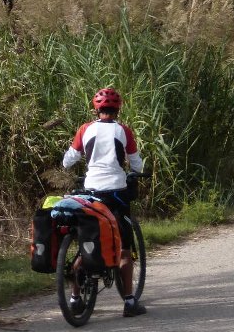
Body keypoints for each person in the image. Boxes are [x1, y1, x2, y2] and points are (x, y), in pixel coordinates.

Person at [62, 86, 147, 318]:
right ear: (117, 109)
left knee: (86, 240)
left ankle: (75, 298)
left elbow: (68, 161)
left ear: (96, 108)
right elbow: (136, 163)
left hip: (91, 192)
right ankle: (129, 302)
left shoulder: (85, 129)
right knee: (125, 250)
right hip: (116, 194)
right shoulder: (123, 131)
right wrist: (136, 171)